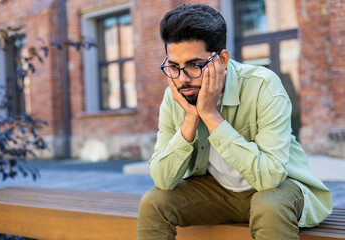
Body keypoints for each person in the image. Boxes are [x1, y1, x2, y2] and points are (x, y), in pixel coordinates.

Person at [137, 3, 332, 240]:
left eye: (194, 65)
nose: (183, 79)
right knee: (154, 202)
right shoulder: (175, 95)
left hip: (278, 189)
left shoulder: (263, 86)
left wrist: (210, 115)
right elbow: (163, 179)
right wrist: (190, 118)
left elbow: (270, 177)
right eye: (174, 67)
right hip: (217, 193)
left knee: (268, 205)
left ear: (222, 59)